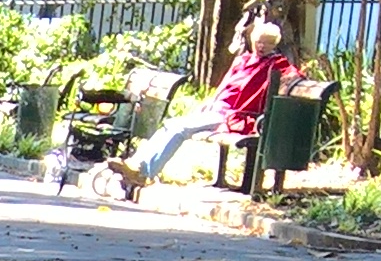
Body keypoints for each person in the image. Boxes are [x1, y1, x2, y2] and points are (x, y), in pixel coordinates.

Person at [119, 16, 300, 197]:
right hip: (218, 109)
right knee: (171, 124)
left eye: (267, 43)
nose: (262, 47)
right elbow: (224, 85)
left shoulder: (276, 64)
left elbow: (294, 75)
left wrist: (294, 81)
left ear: (274, 44)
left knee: (179, 128)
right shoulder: (242, 61)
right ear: (253, 41)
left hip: (232, 115)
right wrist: (210, 101)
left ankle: (144, 173)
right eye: (259, 42)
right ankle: (136, 165)